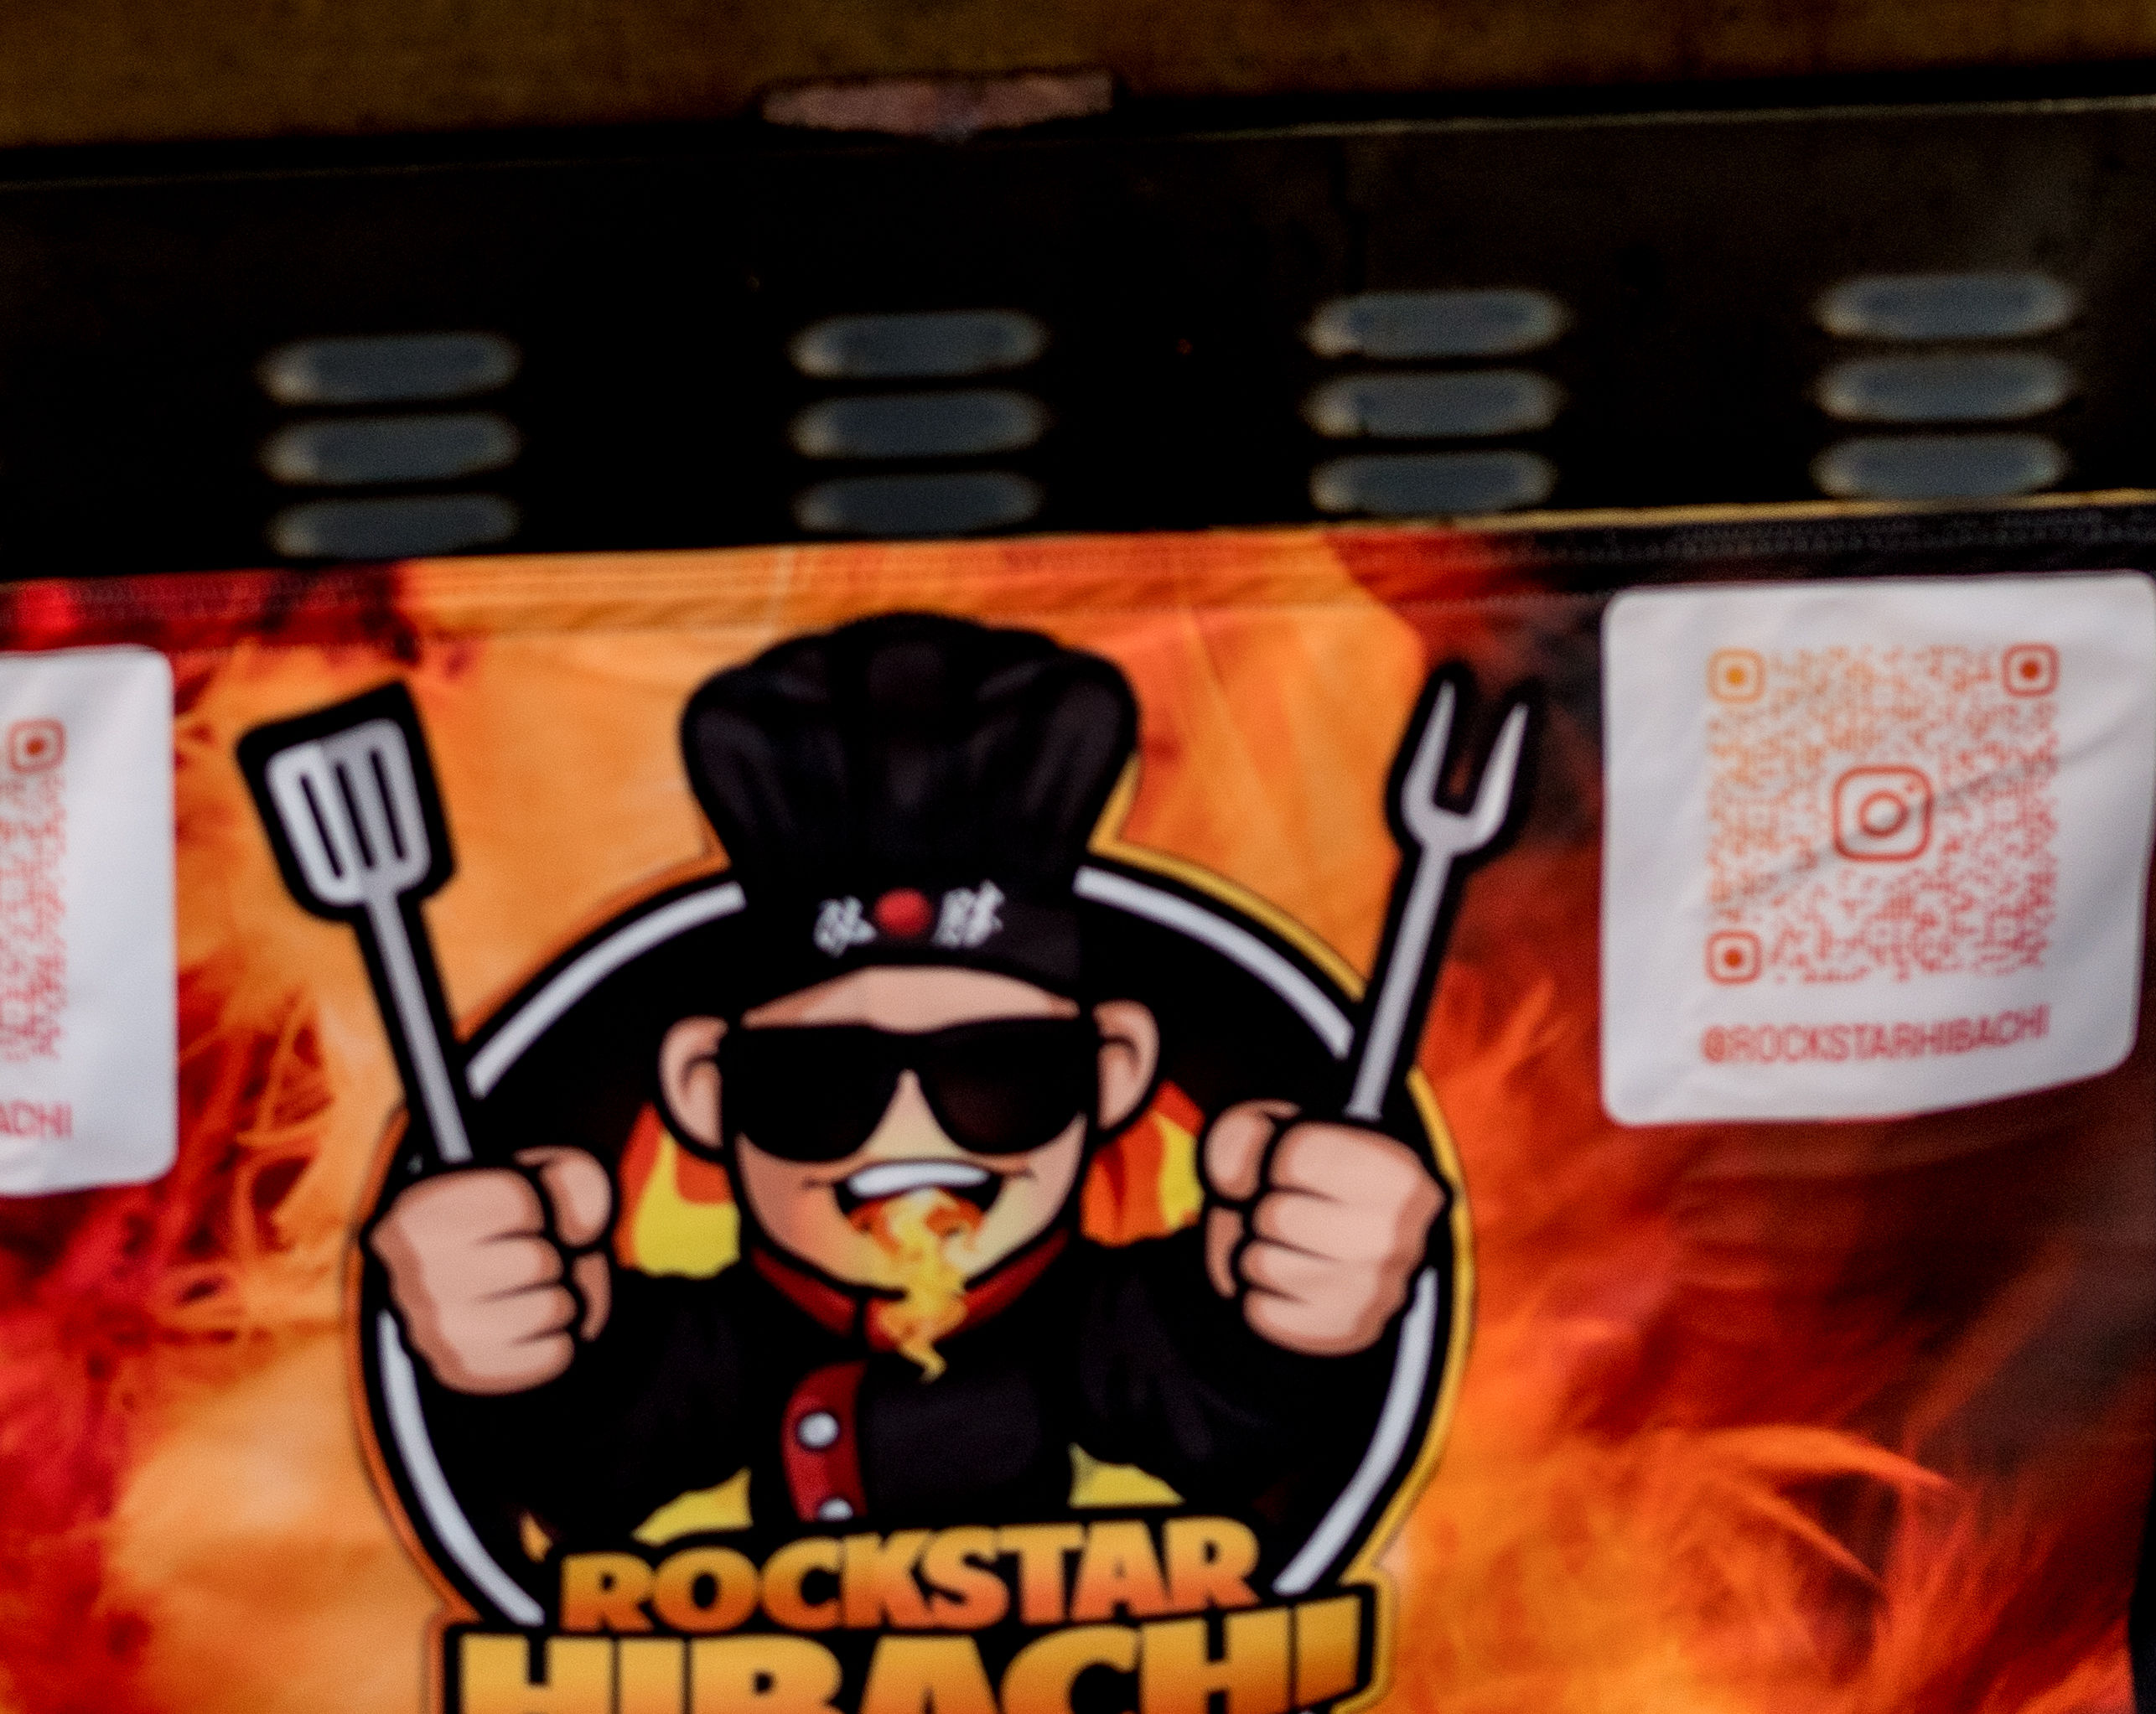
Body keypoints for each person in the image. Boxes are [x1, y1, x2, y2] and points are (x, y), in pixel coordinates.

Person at [363, 614, 1444, 1576]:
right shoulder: (725, 1339)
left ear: (1112, 1074)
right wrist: (513, 1344)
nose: (910, 1129)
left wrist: (1303, 1303)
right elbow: (600, 1446)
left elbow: (1218, 1403)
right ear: (705, 1093)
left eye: (999, 1076)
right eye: (821, 1086)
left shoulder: (1097, 1323)